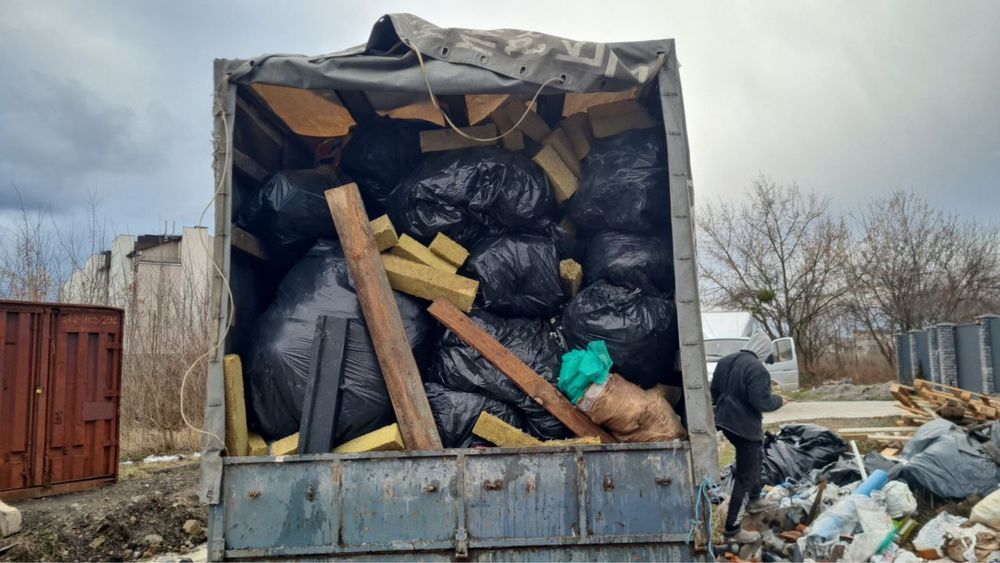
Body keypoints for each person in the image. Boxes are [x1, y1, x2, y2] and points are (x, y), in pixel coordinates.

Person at [710, 331, 788, 544]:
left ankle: (754, 499)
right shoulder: (757, 368)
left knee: (758, 455)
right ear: (763, 350)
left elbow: (714, 391)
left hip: (725, 421)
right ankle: (732, 530)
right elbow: (762, 401)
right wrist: (780, 400)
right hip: (744, 426)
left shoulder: (725, 361)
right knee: (745, 476)